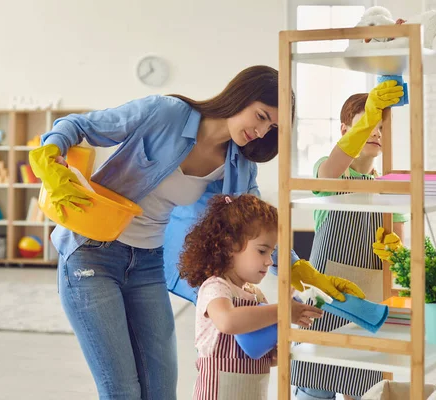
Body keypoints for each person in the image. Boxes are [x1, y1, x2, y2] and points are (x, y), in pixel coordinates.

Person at [29, 65, 365, 400]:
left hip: (147, 264)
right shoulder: (166, 114)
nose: (262, 132)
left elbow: (257, 227)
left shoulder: (238, 166)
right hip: (92, 254)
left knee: (160, 389)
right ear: (240, 97)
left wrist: (300, 269)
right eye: (261, 116)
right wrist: (50, 154)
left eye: (272, 126)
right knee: (122, 391)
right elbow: (78, 126)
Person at [291, 81, 407, 400]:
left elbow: (400, 249)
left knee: (365, 386)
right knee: (316, 384)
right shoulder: (330, 173)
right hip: (325, 296)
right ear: (345, 129)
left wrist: (396, 251)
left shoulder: (390, 187)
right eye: (367, 123)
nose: (376, 132)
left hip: (369, 300)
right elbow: (330, 171)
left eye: (381, 127)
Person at [179, 194, 323, 399]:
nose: (269, 262)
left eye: (271, 252)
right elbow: (228, 321)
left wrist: (280, 346)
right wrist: (282, 310)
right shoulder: (216, 287)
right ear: (230, 246)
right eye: (262, 251)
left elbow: (265, 355)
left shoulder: (255, 296)